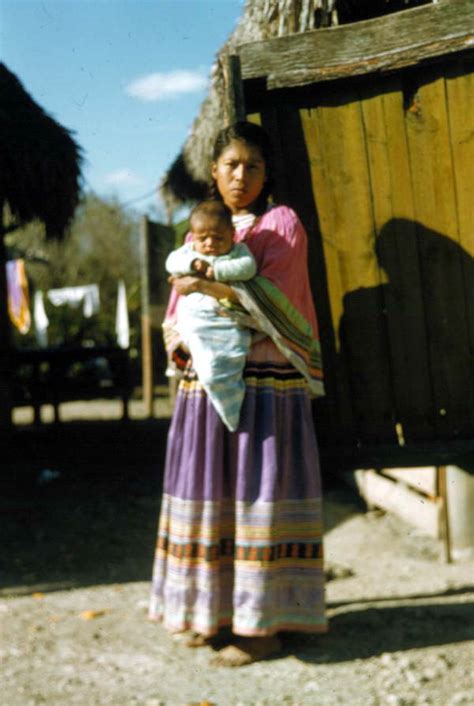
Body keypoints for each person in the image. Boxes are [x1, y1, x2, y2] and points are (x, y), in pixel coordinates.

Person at [149, 121, 326, 667]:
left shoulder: (280, 225)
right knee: (210, 494)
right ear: (213, 171)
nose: (241, 176)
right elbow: (176, 311)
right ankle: (210, 615)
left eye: (252, 166)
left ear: (267, 174)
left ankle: (260, 629)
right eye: (231, 165)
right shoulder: (197, 232)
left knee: (257, 494)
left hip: (266, 387)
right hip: (203, 386)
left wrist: (206, 287)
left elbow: (274, 300)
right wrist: (186, 335)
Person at [165, 200, 257, 431]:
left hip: (225, 320)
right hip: (197, 320)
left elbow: (248, 268)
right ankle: (226, 406)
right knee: (206, 364)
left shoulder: (238, 252)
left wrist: (217, 270)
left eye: (218, 238)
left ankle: (231, 405)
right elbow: (171, 261)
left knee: (232, 355)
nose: (210, 244)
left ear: (232, 234)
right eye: (202, 238)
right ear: (192, 236)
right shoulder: (189, 253)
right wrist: (193, 262)